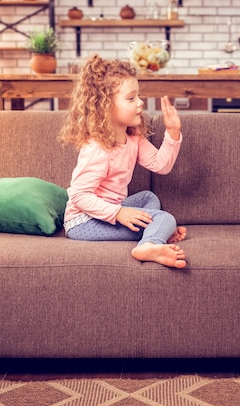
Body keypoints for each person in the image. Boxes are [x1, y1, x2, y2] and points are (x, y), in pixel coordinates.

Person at [59, 54, 187, 268]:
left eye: (138, 96)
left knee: (148, 197)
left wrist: (173, 132)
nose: (140, 103)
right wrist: (118, 213)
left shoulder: (132, 138)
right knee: (165, 218)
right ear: (105, 106)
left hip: (108, 210)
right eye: (131, 98)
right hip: (82, 221)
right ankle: (149, 244)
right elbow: (79, 195)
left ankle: (154, 233)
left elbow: (160, 165)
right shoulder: (97, 148)